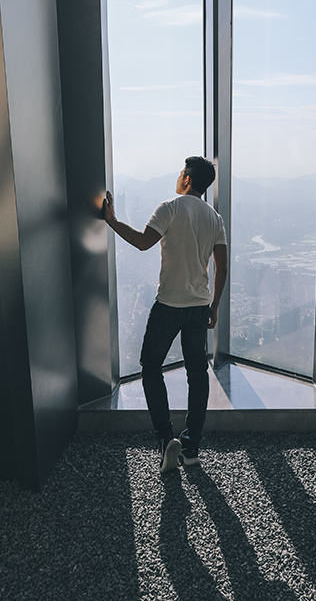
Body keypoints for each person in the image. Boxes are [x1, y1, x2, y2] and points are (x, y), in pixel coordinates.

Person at [102, 155, 228, 474]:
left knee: (151, 365)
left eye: (180, 174)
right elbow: (223, 266)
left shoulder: (170, 207)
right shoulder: (215, 218)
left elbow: (144, 242)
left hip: (169, 304)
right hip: (199, 306)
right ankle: (191, 446)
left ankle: (164, 439)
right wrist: (214, 306)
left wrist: (112, 221)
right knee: (197, 374)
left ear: (186, 178)